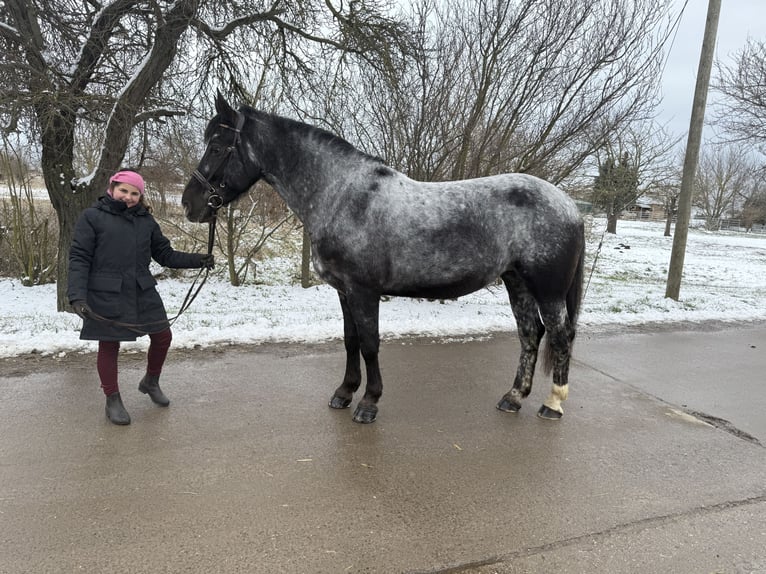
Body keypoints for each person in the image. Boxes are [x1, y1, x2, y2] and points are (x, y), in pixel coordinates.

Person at [68, 169, 214, 426]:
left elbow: (165, 255)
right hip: (106, 291)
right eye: (124, 190)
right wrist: (77, 296)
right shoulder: (92, 217)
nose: (129, 197)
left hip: (142, 289)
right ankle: (112, 399)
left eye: (135, 193)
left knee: (162, 336)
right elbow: (79, 258)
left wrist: (197, 260)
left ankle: (151, 381)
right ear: (112, 188)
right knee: (110, 345)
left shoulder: (146, 221)